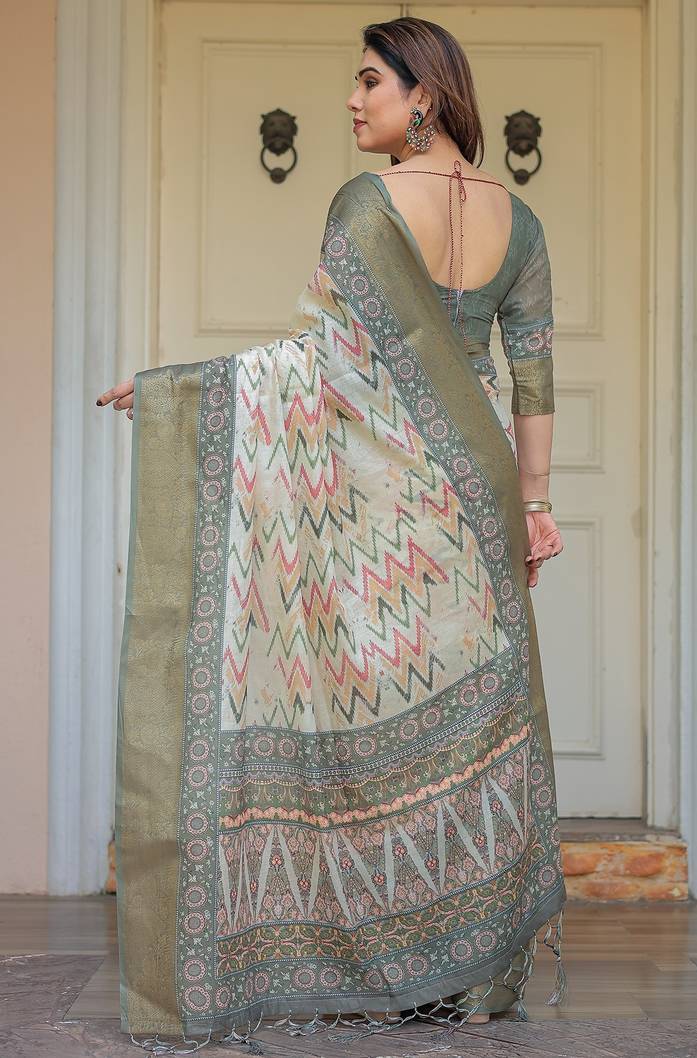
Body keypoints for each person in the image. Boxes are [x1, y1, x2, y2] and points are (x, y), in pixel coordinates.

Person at [98, 16, 567, 1054]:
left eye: (369, 83)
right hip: (478, 485)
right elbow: (531, 374)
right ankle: (464, 978)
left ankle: (380, 957)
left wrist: (186, 391)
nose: (352, 102)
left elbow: (322, 362)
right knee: (467, 728)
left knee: (372, 714)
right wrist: (535, 505)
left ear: (423, 94)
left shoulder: (366, 204)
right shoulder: (520, 220)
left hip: (387, 488)